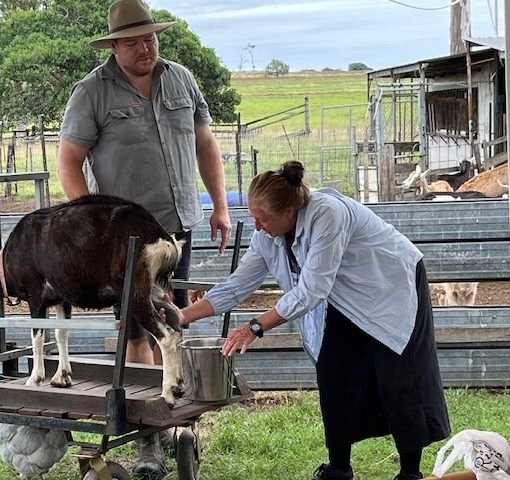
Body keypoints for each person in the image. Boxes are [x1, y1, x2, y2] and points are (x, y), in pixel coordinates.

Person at [165, 161, 451, 480]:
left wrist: (255, 327)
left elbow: (313, 288)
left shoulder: (327, 213)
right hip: (348, 298)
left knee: (399, 379)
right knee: (334, 372)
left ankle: (410, 473)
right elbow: (237, 285)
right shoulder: (269, 233)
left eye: (262, 219)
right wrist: (180, 315)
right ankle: (339, 469)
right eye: (253, 218)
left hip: (392, 287)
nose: (257, 226)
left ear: (289, 212)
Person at [56, 0, 232, 478]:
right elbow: (69, 160)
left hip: (178, 225)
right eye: (133, 41)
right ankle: (148, 441)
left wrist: (219, 206)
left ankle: (170, 412)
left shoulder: (181, 78)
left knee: (172, 319)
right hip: (125, 241)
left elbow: (205, 142)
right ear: (113, 45)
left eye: (150, 37)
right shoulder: (91, 92)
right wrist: (91, 224)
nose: (145, 47)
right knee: (135, 330)